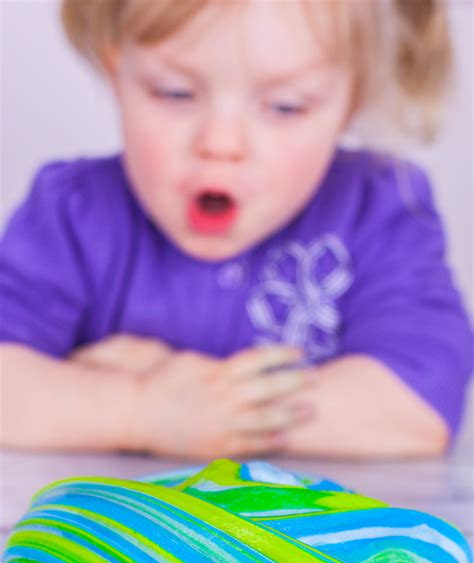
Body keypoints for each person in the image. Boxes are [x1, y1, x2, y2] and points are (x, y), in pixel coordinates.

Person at [0, 0, 471, 461]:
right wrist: (140, 408)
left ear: (351, 104)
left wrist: (187, 402)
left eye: (285, 107)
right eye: (174, 92)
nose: (221, 144)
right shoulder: (72, 212)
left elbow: (417, 405)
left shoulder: (381, 207)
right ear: (116, 75)